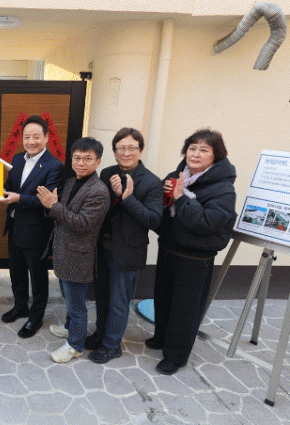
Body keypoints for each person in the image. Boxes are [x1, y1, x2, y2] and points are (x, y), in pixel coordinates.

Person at [148, 129, 236, 375]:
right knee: (163, 298)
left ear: (216, 156)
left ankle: (176, 356)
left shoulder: (223, 189)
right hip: (169, 248)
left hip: (195, 257)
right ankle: (161, 337)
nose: (195, 154)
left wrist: (180, 198)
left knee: (184, 309)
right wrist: (163, 195)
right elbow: (159, 211)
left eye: (203, 150)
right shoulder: (177, 176)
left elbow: (208, 223)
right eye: (192, 148)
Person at [74, 128, 163, 364]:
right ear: (114, 152)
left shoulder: (152, 182)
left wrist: (127, 197)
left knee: (119, 301)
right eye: (121, 148)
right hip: (102, 247)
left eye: (132, 147)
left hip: (127, 252)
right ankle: (101, 334)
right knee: (102, 296)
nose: (126, 152)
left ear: (140, 150)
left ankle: (112, 345)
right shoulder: (107, 173)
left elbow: (154, 220)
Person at [37, 137, 110, 363]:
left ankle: (75, 345)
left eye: (87, 158)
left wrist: (53, 206)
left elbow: (82, 223)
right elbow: (60, 212)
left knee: (77, 305)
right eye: (77, 158)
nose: (81, 163)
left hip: (79, 258)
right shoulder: (71, 182)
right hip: (63, 252)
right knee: (69, 298)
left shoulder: (98, 191)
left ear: (98, 162)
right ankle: (70, 328)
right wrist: (51, 207)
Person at [1, 115, 65, 338]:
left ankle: (35, 318)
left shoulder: (54, 166)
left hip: (36, 230)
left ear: (46, 137)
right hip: (14, 225)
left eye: (36, 136)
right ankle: (20, 307)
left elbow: (46, 201)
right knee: (16, 272)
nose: (31, 141)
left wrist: (18, 198)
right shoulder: (17, 159)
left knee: (38, 277)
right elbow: (10, 186)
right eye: (27, 137)